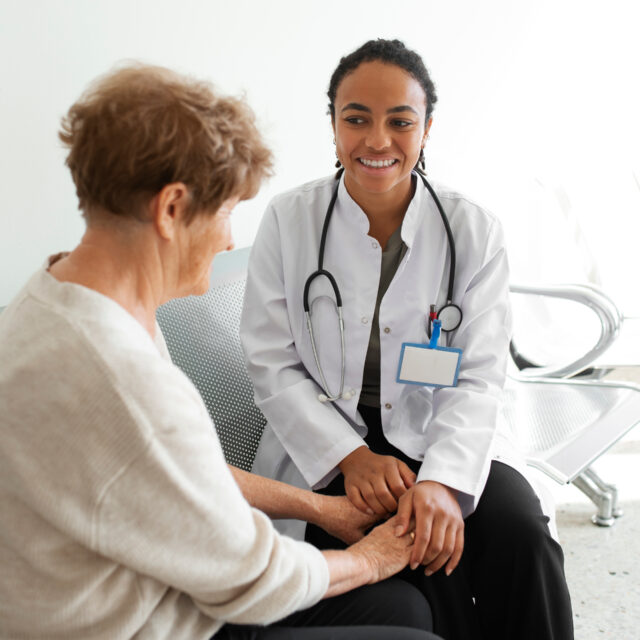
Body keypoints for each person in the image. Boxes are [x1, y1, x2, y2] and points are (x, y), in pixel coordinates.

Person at [0, 63, 443, 640]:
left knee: (402, 610)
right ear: (172, 209)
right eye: (228, 210)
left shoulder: (60, 295)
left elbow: (181, 474)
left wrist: (322, 510)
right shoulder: (120, 379)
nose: (231, 239)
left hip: (151, 585)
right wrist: (373, 559)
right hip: (147, 622)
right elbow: (253, 578)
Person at [240, 39, 574, 640]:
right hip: (328, 439)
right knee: (419, 546)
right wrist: (350, 455)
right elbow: (272, 361)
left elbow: (477, 374)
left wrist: (444, 482)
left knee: (521, 533)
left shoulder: (472, 228)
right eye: (356, 118)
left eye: (400, 121)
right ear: (334, 125)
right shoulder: (290, 220)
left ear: (426, 130)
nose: (376, 141)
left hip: (444, 426)